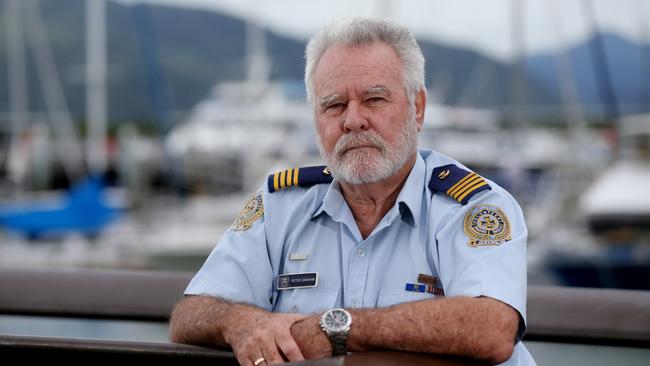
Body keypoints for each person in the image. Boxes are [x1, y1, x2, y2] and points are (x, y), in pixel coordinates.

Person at [170, 17, 535, 366]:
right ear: (316, 119)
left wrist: (336, 328)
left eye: (374, 99)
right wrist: (241, 323)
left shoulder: (471, 207)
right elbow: (190, 314)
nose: (352, 120)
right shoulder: (280, 205)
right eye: (334, 105)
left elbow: (492, 327)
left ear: (418, 109)